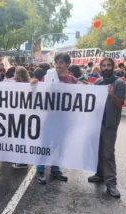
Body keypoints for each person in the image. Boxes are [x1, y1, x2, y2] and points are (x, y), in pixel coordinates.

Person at [30, 53, 77, 184]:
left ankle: (55, 169)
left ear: (67, 64)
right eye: (56, 62)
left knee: (59, 145)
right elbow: (40, 91)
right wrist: (35, 84)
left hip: (64, 119)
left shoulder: (72, 80)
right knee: (45, 144)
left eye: (61, 62)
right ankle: (40, 170)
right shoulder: (49, 76)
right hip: (49, 117)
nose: (58, 65)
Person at [88, 57, 126, 198]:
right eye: (103, 65)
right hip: (97, 123)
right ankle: (99, 174)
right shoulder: (98, 82)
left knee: (108, 153)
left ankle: (111, 183)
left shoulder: (119, 83)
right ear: (100, 67)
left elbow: (119, 103)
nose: (106, 68)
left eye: (108, 65)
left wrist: (112, 95)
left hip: (110, 124)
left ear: (113, 66)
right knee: (98, 150)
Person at [10, 66, 32, 169]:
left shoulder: (26, 85)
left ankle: (21, 161)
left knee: (20, 139)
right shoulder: (28, 84)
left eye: (15, 73)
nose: (14, 75)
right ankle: (21, 160)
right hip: (21, 116)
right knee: (21, 139)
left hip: (21, 116)